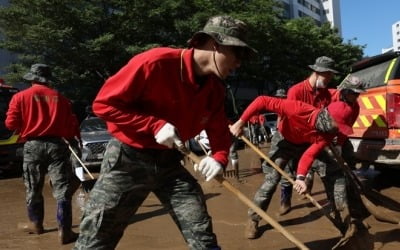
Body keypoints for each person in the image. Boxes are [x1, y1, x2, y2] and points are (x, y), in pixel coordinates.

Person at [73, 15, 256, 250]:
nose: (238, 64)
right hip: (128, 160)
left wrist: (219, 158)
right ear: (215, 44)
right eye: (237, 54)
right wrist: (153, 125)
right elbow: (104, 105)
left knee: (202, 233)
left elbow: (219, 132)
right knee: (96, 235)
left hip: (171, 164)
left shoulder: (214, 89)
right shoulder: (155, 63)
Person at [230, 93, 359, 239]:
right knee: (271, 180)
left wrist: (300, 178)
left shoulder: (328, 132)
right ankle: (253, 219)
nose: (337, 131)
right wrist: (240, 122)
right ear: (327, 119)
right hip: (285, 139)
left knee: (335, 174)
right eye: (338, 126)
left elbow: (309, 154)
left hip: (306, 144)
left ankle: (343, 220)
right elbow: (262, 100)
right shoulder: (298, 109)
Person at [5, 64, 80, 244]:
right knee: (62, 189)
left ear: (32, 78)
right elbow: (71, 127)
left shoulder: (20, 97)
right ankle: (65, 232)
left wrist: (29, 124)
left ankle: (36, 225)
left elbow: (10, 124)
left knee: (33, 186)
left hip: (33, 145)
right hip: (57, 145)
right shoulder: (61, 99)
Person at [278, 56, 339, 216]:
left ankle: (337, 208)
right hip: (290, 137)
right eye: (328, 75)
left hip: (311, 138)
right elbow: (292, 120)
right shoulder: (295, 91)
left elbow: (324, 119)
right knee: (285, 173)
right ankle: (284, 200)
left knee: (326, 168)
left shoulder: (326, 95)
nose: (330, 79)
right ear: (317, 72)